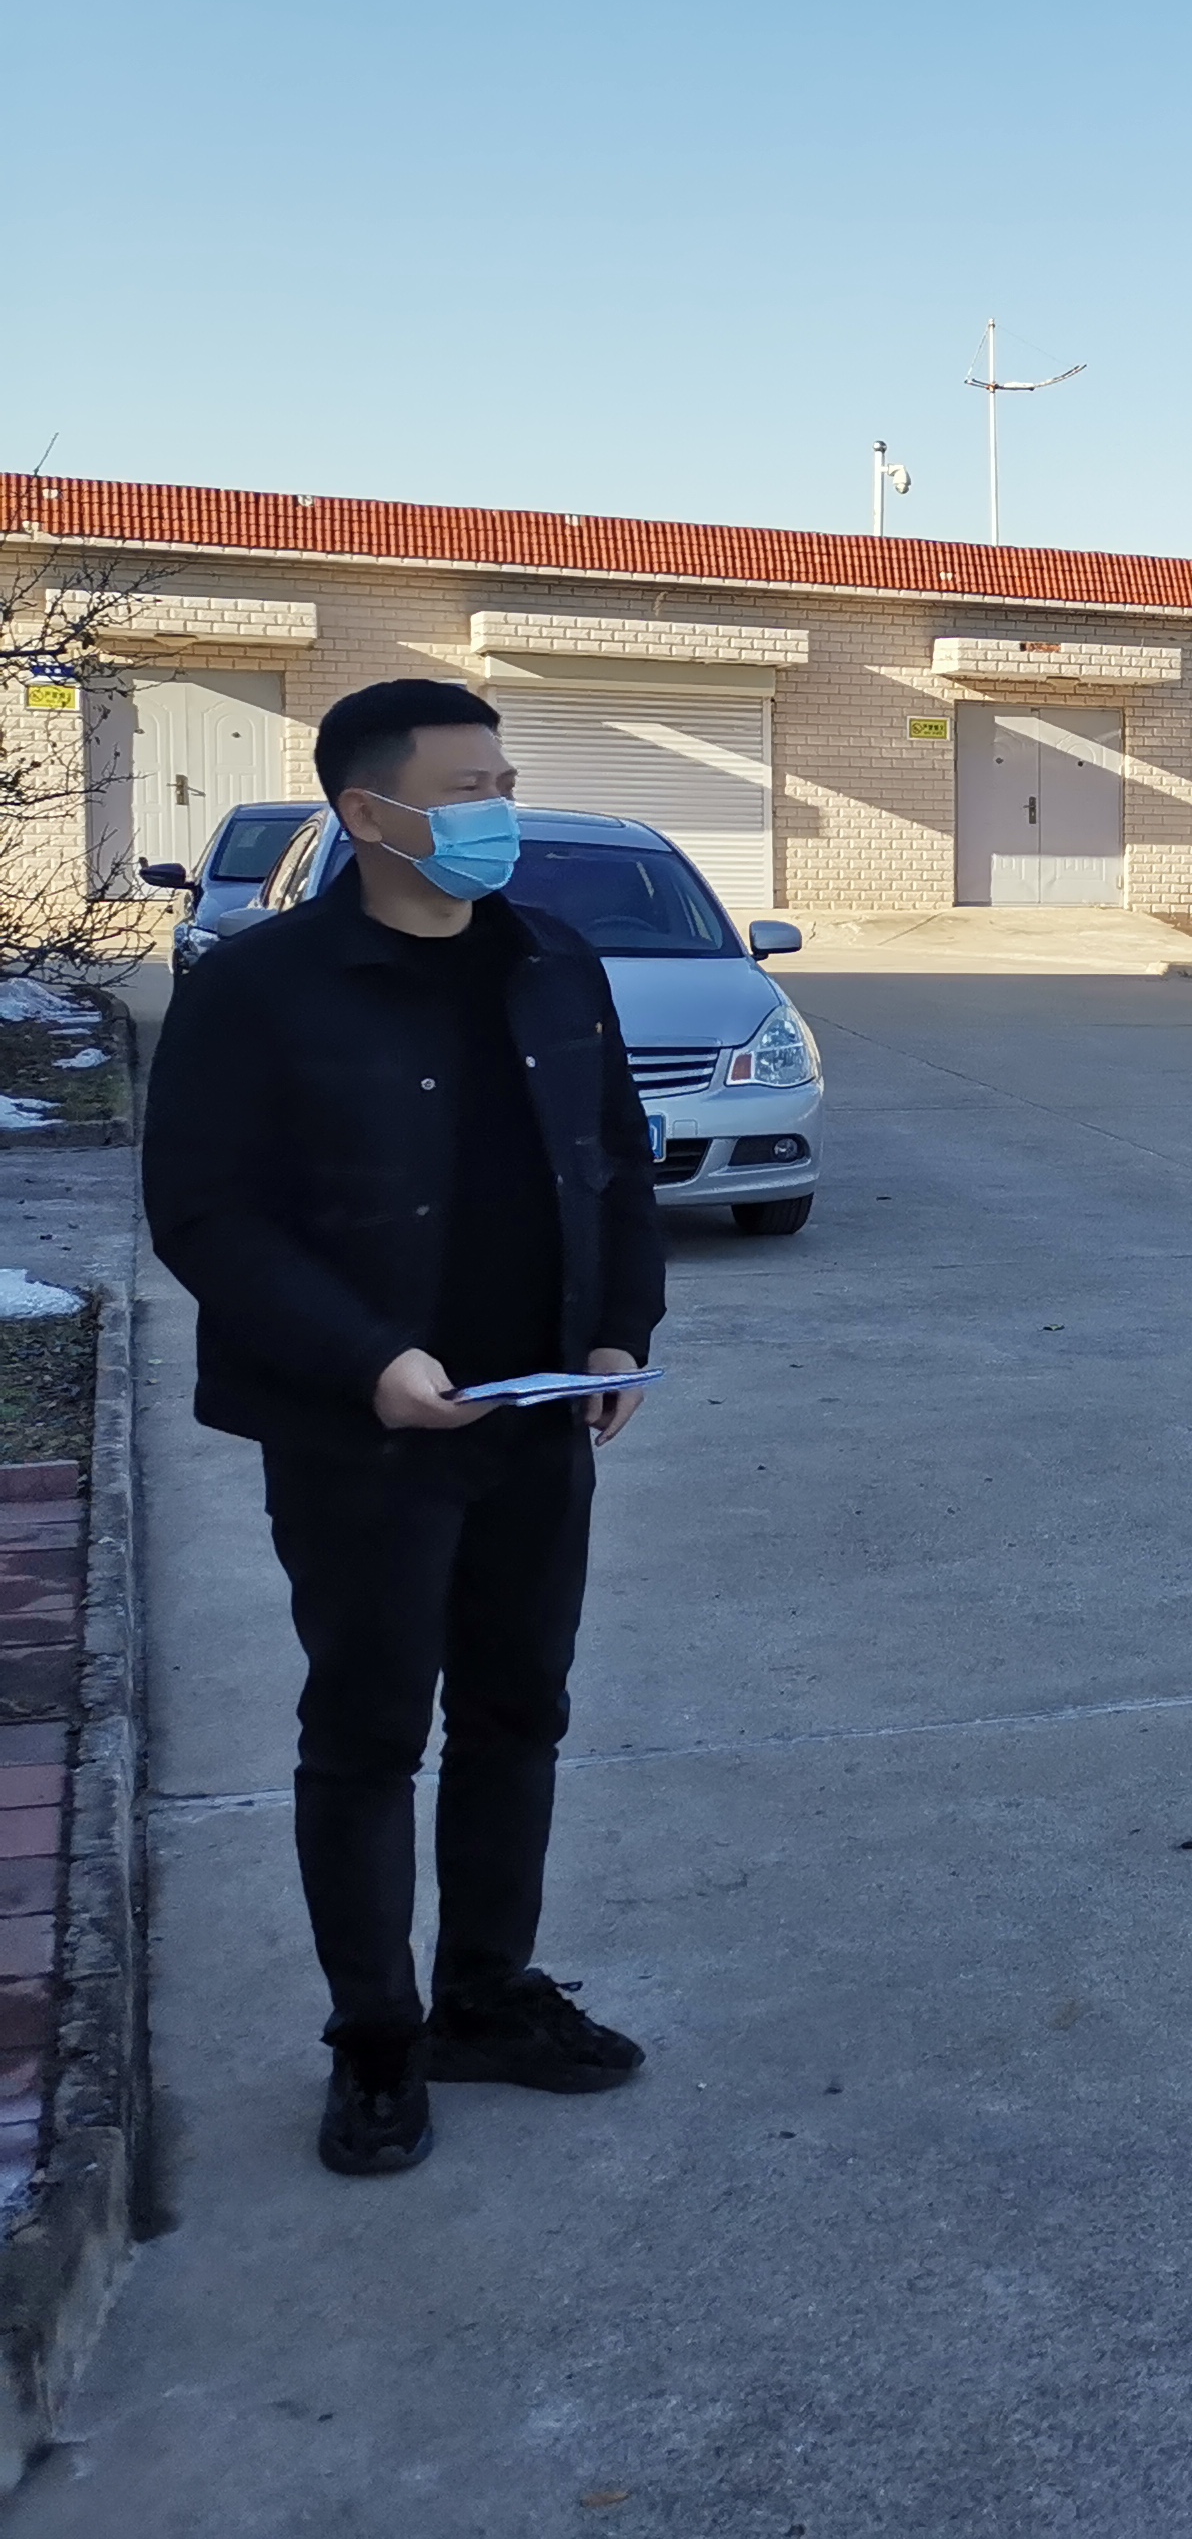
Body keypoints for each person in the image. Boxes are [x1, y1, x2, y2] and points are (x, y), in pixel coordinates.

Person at [143, 680, 665, 2178]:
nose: (501, 813)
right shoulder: (262, 987)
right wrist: (364, 1357)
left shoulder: (551, 959)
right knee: (369, 1731)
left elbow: (614, 1157)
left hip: (535, 1415)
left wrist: (621, 1329)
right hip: (363, 1433)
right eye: (468, 790)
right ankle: (375, 2039)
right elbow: (206, 1215)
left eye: (505, 781)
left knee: (518, 1712)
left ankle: (485, 1998)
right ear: (368, 814)